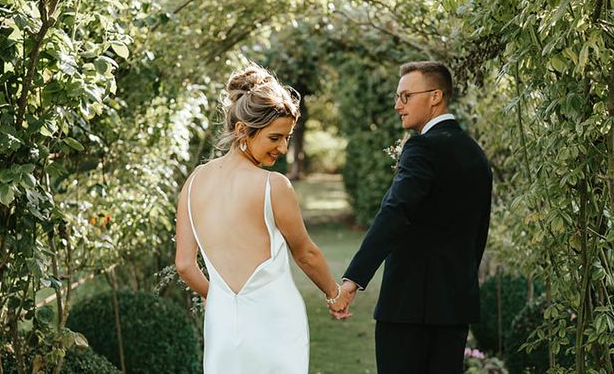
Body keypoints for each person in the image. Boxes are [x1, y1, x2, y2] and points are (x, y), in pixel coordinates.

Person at [175, 63, 349, 374]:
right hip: (275, 324)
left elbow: (185, 266)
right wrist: (334, 294)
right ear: (242, 130)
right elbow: (306, 254)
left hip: (222, 325)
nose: (282, 148)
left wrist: (219, 298)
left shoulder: (193, 183)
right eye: (274, 138)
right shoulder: (273, 186)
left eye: (287, 137)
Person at [337, 61, 492, 374]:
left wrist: (354, 278)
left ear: (435, 96)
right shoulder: (475, 153)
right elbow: (479, 234)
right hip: (454, 306)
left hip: (408, 310)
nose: (398, 105)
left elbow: (395, 211)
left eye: (406, 96)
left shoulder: (422, 147)